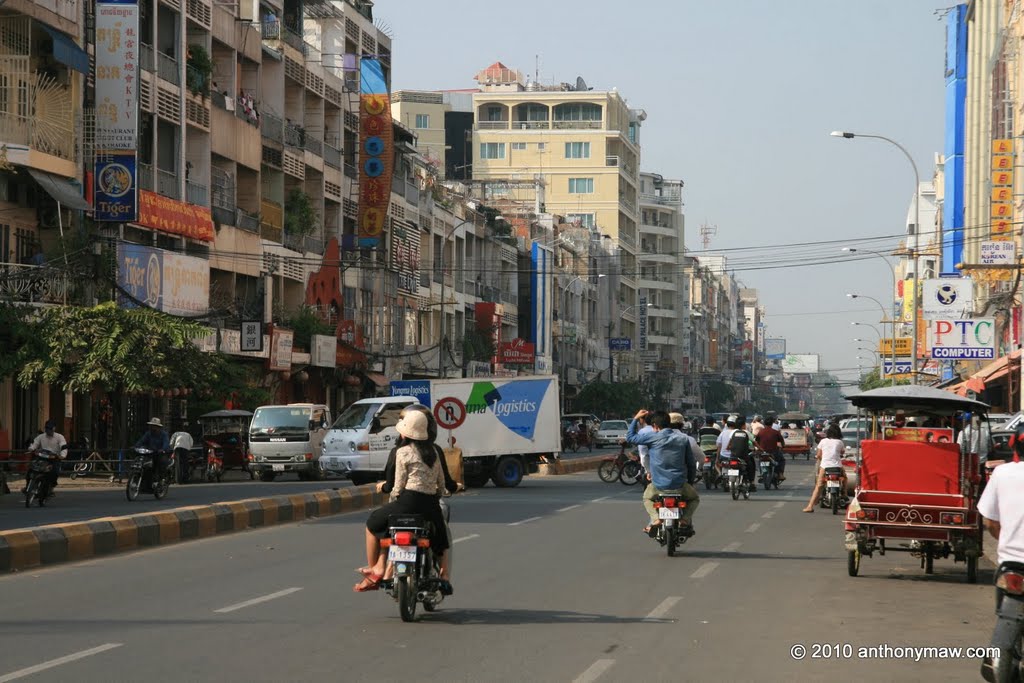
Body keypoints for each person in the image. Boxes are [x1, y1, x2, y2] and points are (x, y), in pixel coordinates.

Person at [355, 410, 450, 592]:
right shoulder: (434, 452)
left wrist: (397, 500)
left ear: (405, 432)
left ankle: (375, 567)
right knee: (441, 539)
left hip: (407, 503)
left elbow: (397, 486)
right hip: (430, 505)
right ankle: (444, 576)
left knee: (372, 523)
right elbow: (442, 484)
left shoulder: (403, 452)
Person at [625, 409, 699, 536]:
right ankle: (684, 520)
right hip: (679, 484)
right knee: (694, 498)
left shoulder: (653, 437)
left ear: (655, 426)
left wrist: (636, 418)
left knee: (647, 497)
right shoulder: (683, 439)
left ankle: (655, 519)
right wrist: (690, 482)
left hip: (658, 485)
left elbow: (630, 437)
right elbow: (691, 464)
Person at [978, 424, 1024, 567]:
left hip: (1010, 560)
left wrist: (1006, 540)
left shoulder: (1001, 472)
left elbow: (991, 522)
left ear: (1013, 445)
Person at [803, 424, 846, 512]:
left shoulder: (823, 441)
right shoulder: (840, 442)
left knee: (818, 486)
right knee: (845, 478)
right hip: (837, 467)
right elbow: (842, 452)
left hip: (825, 466)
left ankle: (810, 506)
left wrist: (822, 458)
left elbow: (819, 455)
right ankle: (844, 494)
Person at [26, 420, 67, 492]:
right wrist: (31, 448)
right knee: (30, 470)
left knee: (54, 473)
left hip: (54, 458)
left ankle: (51, 487)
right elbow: (35, 443)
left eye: (50, 428)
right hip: (41, 457)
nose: (48, 430)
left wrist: (62, 455)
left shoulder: (59, 437)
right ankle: (28, 487)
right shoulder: (41, 437)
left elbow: (64, 447)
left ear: (54, 428)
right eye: (47, 428)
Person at [135, 417, 171, 484]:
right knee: (144, 464)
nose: (153, 428)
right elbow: (141, 441)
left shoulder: (164, 434)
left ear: (159, 427)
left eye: (155, 426)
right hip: (150, 453)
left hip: (160, 453)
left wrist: (162, 449)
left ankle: (161, 479)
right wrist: (136, 446)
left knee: (162, 463)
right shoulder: (148, 434)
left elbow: (166, 443)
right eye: (152, 426)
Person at [727, 415, 756, 491]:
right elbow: (754, 443)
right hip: (743, 456)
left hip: (733, 456)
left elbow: (729, 445)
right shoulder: (746, 432)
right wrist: (761, 449)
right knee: (751, 466)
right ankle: (751, 482)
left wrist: (729, 448)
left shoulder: (733, 432)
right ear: (744, 425)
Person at [754, 416, 786, 482]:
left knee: (760, 461)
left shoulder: (761, 432)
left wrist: (758, 449)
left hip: (763, 452)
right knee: (782, 460)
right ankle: (780, 474)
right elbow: (782, 441)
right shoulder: (776, 432)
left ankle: (762, 473)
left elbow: (756, 441)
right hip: (773, 452)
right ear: (772, 424)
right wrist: (783, 446)